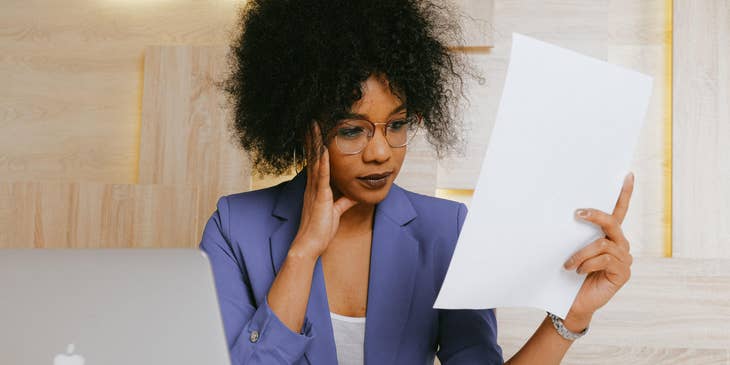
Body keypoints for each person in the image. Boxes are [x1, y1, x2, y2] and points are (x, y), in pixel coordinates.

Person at [198, 0, 635, 364]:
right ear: (303, 128)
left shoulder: (445, 231)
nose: (381, 152)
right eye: (352, 130)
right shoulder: (235, 229)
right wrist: (303, 250)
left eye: (397, 124)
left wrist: (570, 316)